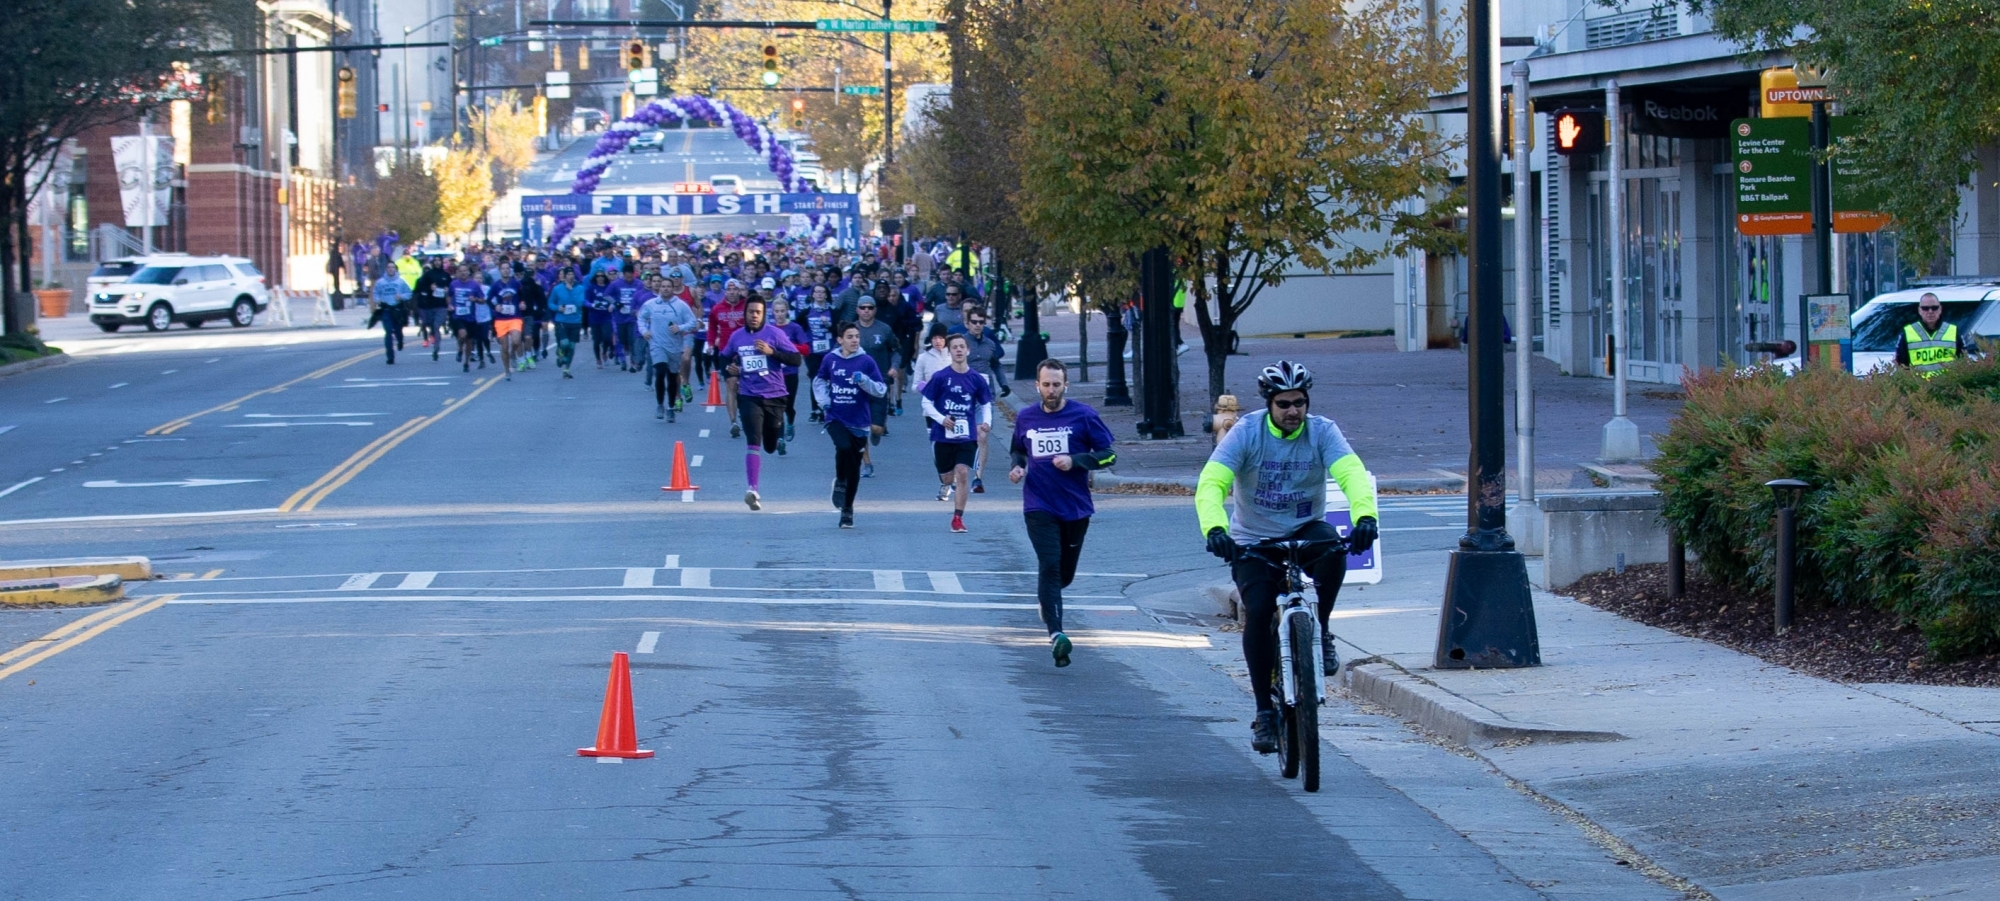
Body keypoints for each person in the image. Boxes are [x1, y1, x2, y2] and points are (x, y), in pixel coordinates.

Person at [1196, 360, 1379, 755]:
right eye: (1284, 404)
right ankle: (1264, 712)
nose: (1293, 411)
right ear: (1269, 404)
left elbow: (1352, 473)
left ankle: (1322, 630)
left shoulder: (1322, 431)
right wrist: (1215, 529)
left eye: (1299, 402)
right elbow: (1212, 482)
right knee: (1259, 610)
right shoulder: (1247, 432)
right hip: (1253, 539)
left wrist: (1365, 517)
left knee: (1332, 547)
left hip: (1303, 529)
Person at [1009, 358, 1116, 667]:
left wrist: (1076, 461)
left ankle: (1048, 600)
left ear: (1065, 385)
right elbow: (1019, 449)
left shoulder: (1083, 416)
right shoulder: (1026, 417)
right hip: (1038, 504)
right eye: (1046, 385)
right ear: (1037, 386)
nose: (1051, 390)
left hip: (1075, 507)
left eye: (1056, 385)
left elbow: (1109, 456)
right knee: (1050, 565)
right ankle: (1057, 635)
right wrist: (1018, 467)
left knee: (1063, 574)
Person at [722, 296, 803, 510]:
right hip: (749, 395)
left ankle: (776, 435)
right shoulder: (737, 337)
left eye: (758, 312)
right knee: (753, 439)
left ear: (764, 314)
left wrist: (771, 352)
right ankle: (753, 489)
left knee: (770, 445)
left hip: (775, 395)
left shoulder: (775, 334)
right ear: (745, 314)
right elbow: (724, 358)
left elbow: (796, 359)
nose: (754, 316)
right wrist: (730, 369)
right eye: (751, 312)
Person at [814, 321, 889, 528]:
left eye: (857, 336)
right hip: (836, 416)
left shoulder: (866, 361)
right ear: (840, 340)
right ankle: (840, 480)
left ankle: (847, 510)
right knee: (843, 447)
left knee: (855, 467)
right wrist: (824, 402)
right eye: (850, 337)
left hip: (859, 421)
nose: (855, 340)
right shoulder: (831, 359)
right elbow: (819, 381)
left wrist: (864, 381)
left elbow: (881, 390)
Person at [921, 333, 994, 532]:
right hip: (942, 435)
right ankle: (946, 482)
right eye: (955, 347)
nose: (959, 350)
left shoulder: (976, 378)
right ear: (949, 351)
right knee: (947, 478)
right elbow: (926, 403)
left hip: (966, 435)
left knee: (962, 472)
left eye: (962, 346)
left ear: (967, 350)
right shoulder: (940, 377)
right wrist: (941, 419)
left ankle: (957, 518)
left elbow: (986, 403)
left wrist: (986, 422)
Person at [958, 307, 1008, 492]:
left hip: (985, 396)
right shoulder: (961, 344)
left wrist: (1004, 384)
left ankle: (978, 478)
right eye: (974, 322)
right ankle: (958, 474)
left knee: (983, 435)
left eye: (981, 322)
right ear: (967, 324)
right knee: (963, 436)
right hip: (963, 397)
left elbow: (996, 365)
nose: (978, 325)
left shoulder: (990, 344)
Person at [639, 278, 700, 421]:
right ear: (659, 288)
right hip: (657, 344)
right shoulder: (651, 304)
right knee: (660, 372)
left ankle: (671, 407)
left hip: (674, 346)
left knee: (672, 377)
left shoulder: (681, 305)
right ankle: (660, 405)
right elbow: (641, 318)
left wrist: (680, 328)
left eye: (668, 286)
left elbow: (692, 322)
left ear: (673, 289)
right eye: (663, 286)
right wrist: (644, 331)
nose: (665, 289)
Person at [1896, 292, 1973, 378]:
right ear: (1919, 310)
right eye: (1925, 308)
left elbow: (1963, 362)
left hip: (1948, 384)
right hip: (1919, 385)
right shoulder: (1908, 333)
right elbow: (1901, 365)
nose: (1930, 311)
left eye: (1934, 308)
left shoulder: (1953, 331)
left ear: (1940, 309)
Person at [709, 279, 749, 438]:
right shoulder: (717, 308)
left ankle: (746, 413)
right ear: (725, 292)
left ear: (739, 290)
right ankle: (733, 422)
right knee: (731, 384)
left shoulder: (747, 306)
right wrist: (711, 343)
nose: (732, 292)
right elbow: (712, 327)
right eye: (729, 289)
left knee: (746, 386)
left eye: (735, 289)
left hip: (746, 352)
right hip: (726, 352)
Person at [770, 298, 811, 441]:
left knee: (788, 406)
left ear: (787, 311)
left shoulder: (795, 328)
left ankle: (791, 423)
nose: (779, 314)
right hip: (775, 373)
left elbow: (806, 349)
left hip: (791, 372)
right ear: (772, 312)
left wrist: (789, 345)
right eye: (777, 311)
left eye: (782, 311)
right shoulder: (769, 329)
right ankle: (780, 438)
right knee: (778, 405)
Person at [488, 263, 526, 379]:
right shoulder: (496, 285)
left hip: (514, 317)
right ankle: (507, 370)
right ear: (500, 271)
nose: (505, 270)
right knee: (504, 347)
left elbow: (522, 295)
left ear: (510, 270)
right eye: (503, 268)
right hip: (501, 319)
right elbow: (489, 299)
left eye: (507, 268)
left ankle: (513, 353)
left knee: (516, 340)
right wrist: (495, 306)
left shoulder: (516, 283)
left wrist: (522, 303)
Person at [549, 266, 587, 378]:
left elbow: (580, 303)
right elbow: (550, 303)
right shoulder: (557, 289)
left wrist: (571, 291)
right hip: (562, 320)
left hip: (575, 321)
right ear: (564, 277)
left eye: (572, 274)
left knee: (572, 346)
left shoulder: (580, 288)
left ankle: (566, 369)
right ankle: (560, 352)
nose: (571, 277)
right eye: (569, 275)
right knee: (565, 343)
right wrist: (557, 308)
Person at [369, 266, 411, 364]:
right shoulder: (380, 282)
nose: (391, 269)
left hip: (397, 309)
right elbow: (375, 293)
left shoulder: (401, 282)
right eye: (388, 268)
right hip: (386, 309)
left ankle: (400, 340)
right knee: (388, 332)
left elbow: (409, 293)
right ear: (386, 270)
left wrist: (401, 296)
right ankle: (390, 356)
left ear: (395, 270)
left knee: (398, 330)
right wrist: (377, 300)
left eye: (392, 268)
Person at [911, 323, 952, 393]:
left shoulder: (953, 356)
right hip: (930, 397)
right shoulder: (923, 358)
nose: (938, 341)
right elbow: (915, 386)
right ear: (931, 339)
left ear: (945, 339)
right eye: (935, 338)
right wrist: (924, 386)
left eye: (941, 338)